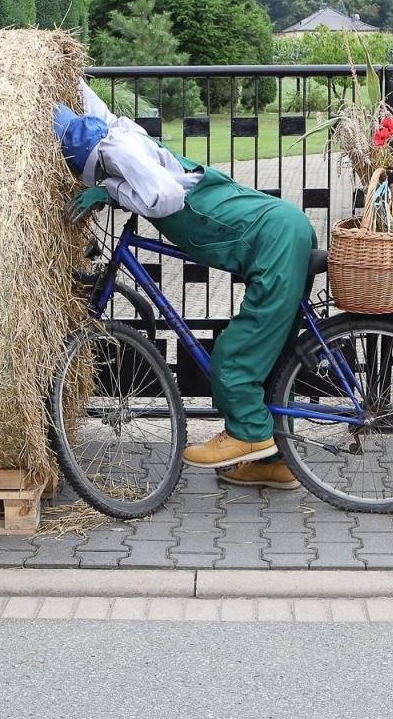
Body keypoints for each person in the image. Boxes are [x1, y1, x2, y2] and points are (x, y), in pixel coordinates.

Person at [52, 82, 315, 490]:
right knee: (274, 358)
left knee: (235, 355)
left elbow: (163, 196)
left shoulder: (117, 152)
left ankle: (248, 433)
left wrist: (108, 190)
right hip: (280, 229)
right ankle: (275, 464)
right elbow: (97, 110)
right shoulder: (122, 134)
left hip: (274, 240)